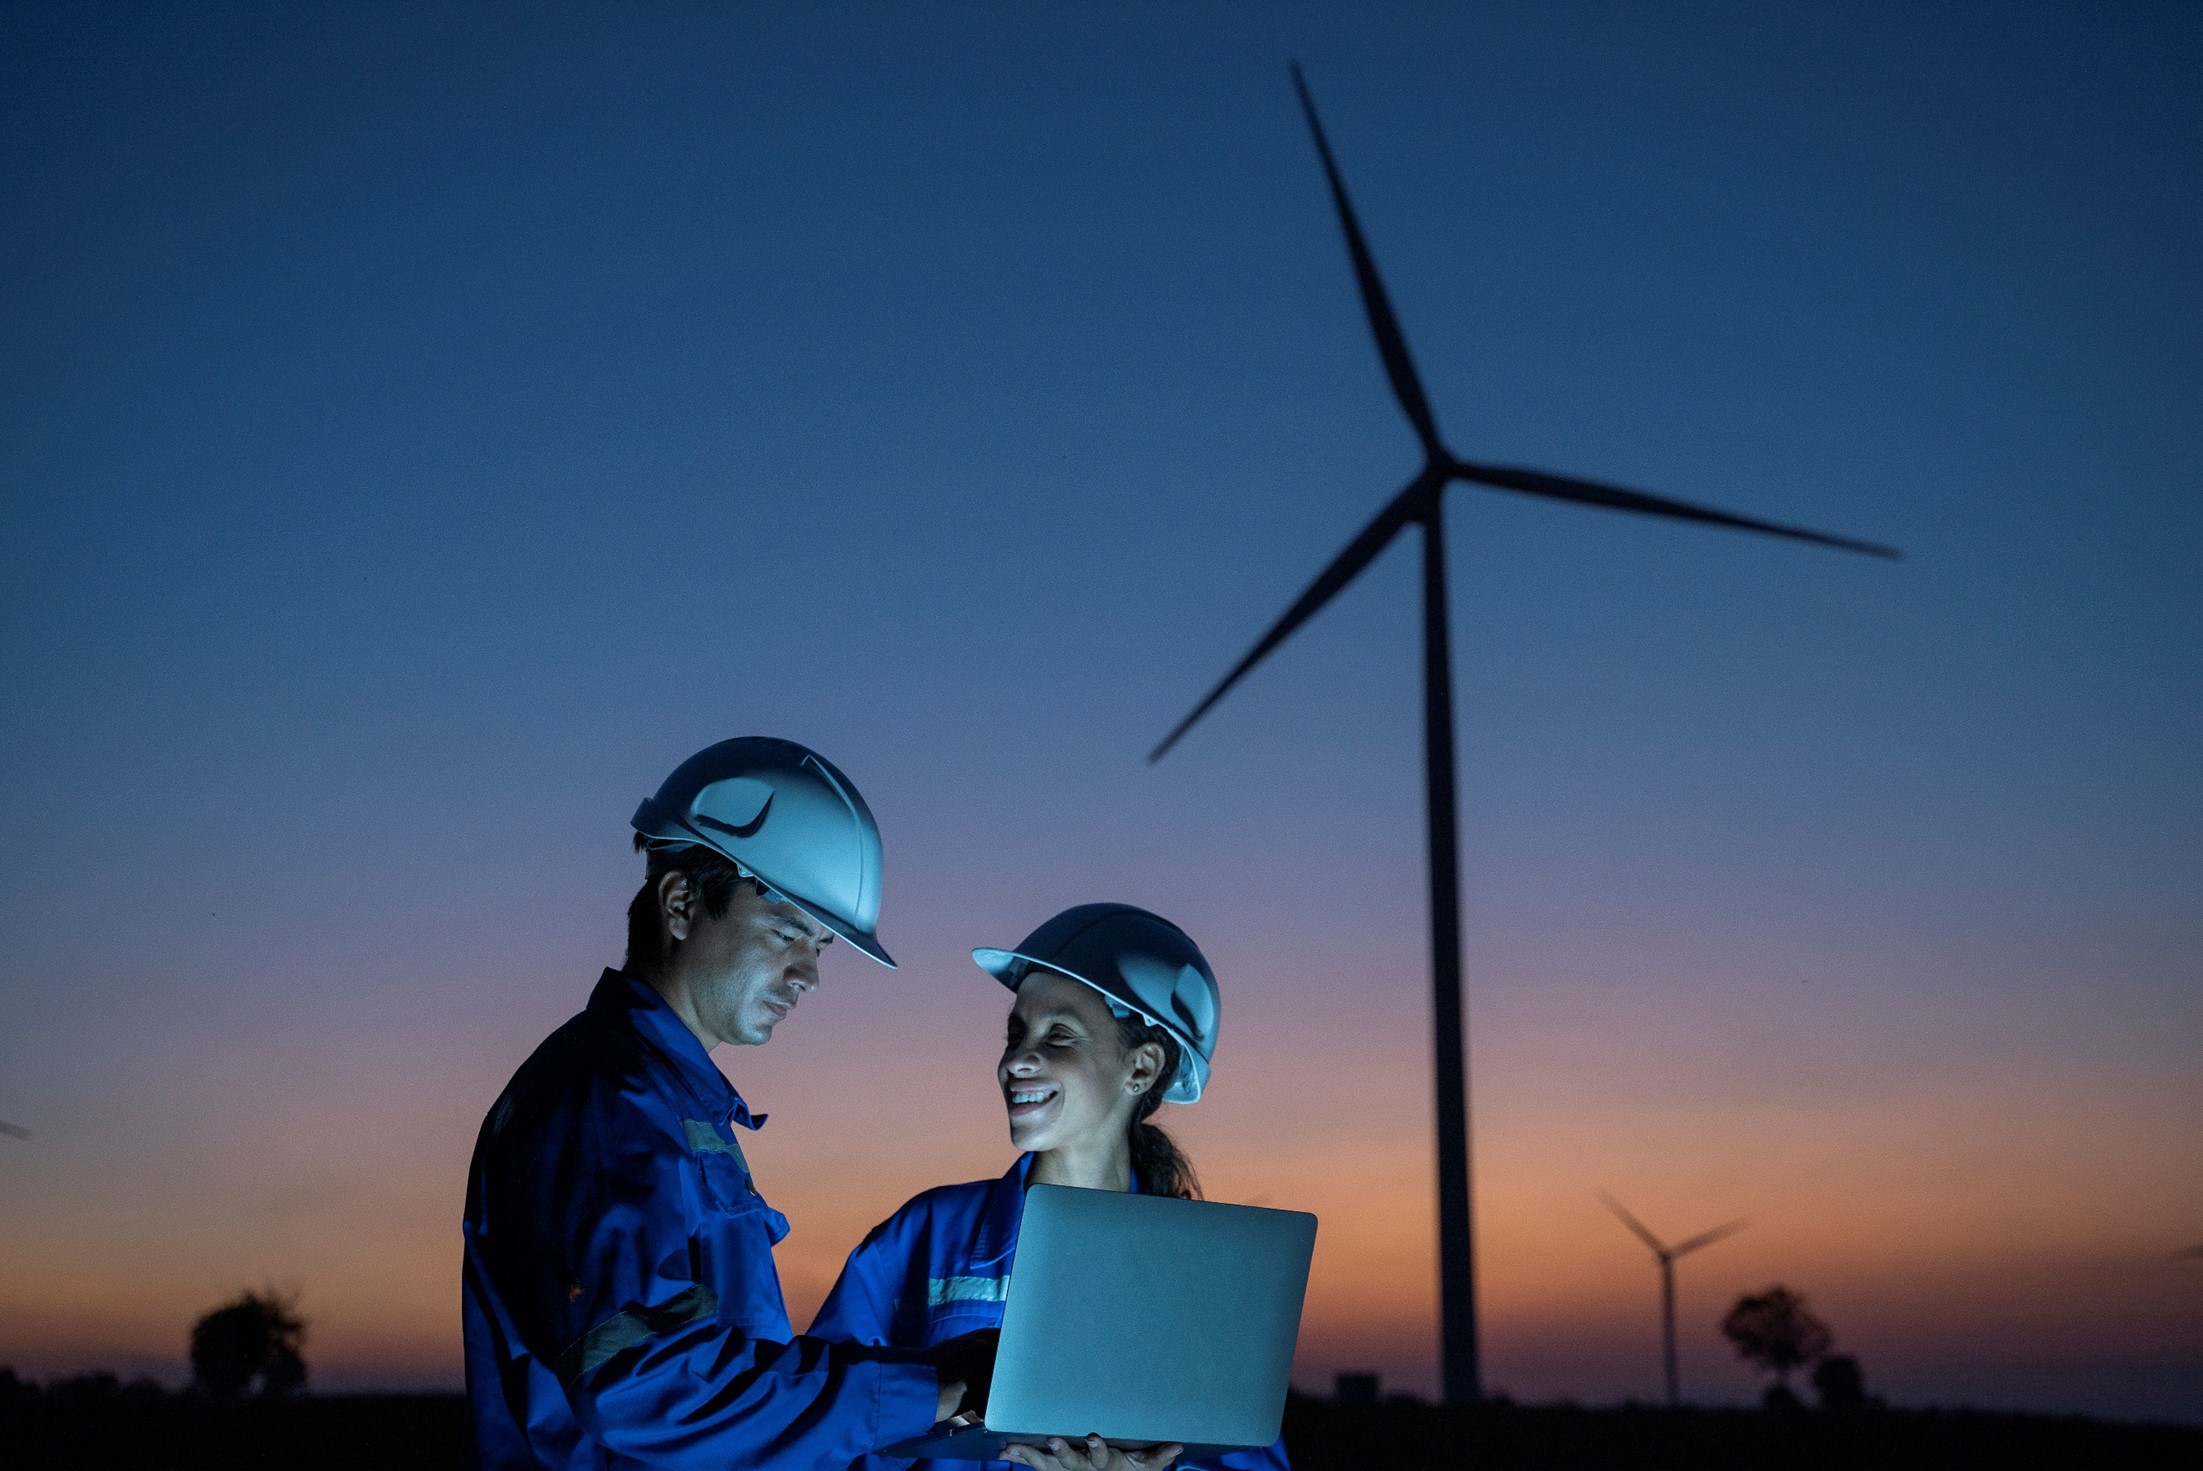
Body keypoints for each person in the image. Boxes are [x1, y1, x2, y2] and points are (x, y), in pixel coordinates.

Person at [462, 737, 990, 1470]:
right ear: (681, 903)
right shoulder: (611, 1103)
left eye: (822, 946)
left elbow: (725, 1387)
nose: (809, 972)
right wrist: (928, 1388)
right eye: (786, 932)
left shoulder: (665, 1102)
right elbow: (645, 1388)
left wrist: (933, 1390)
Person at [810, 904, 1290, 1471]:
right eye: (1016, 1034)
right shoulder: (924, 1235)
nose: (1017, 1059)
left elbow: (1247, 1459)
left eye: (1058, 1035)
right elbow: (816, 1424)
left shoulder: (1200, 1279)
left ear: (1141, 1067)